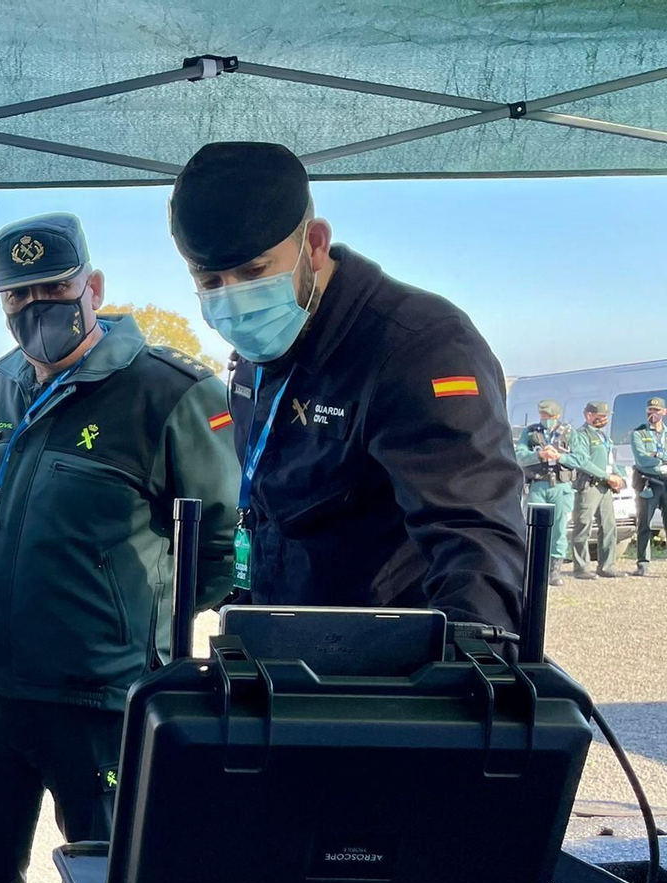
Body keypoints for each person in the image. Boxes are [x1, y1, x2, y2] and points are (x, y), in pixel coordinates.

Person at [0, 213, 239, 883]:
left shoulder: (170, 393)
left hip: (102, 703)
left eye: (53, 286)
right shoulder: (4, 380)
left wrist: (134, 631)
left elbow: (225, 544)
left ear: (93, 287)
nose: (35, 307)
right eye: (17, 296)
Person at [167, 142, 527, 632]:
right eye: (209, 282)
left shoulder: (420, 346)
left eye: (254, 272)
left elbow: (473, 533)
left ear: (314, 244)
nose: (234, 301)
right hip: (276, 649)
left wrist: (465, 669)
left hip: (383, 671)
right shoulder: (255, 360)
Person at [515, 399, 579, 587]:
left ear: (558, 416)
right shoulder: (531, 432)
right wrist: (539, 455)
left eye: (550, 416)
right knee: (532, 527)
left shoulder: (569, 433)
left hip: (560, 486)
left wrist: (560, 456)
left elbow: (580, 459)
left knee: (559, 528)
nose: (546, 419)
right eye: (543, 415)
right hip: (538, 485)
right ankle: (532, 567)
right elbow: (519, 455)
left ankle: (554, 569)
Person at [569, 400, 625, 579]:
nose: (604, 420)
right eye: (601, 416)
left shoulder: (604, 437)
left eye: (605, 417)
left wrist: (618, 476)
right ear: (589, 416)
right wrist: (608, 477)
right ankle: (581, 568)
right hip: (589, 485)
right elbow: (583, 462)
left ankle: (607, 565)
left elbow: (610, 461)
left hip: (605, 488)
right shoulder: (581, 435)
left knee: (609, 526)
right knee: (583, 526)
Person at [630, 396, 667, 575]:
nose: (653, 414)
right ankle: (643, 564)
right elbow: (641, 458)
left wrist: (655, 455)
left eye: (657, 411)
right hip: (648, 482)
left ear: (664, 412)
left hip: (666, 482)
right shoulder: (639, 433)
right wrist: (660, 458)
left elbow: (650, 456)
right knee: (644, 523)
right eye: (650, 411)